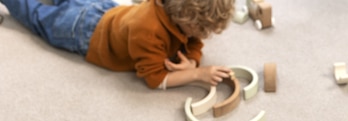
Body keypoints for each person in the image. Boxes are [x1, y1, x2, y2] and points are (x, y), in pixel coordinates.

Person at [0, 0, 234, 89]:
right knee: (37, 16)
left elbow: (194, 39)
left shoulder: (175, 10)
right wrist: (198, 74)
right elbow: (155, 78)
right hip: (82, 31)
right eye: (200, 30)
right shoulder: (148, 30)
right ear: (183, 20)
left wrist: (192, 61)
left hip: (106, 10)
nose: (203, 36)